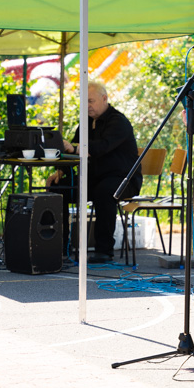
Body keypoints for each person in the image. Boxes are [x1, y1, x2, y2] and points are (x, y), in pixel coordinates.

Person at [46, 81, 143, 264]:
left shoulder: (118, 122)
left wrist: (75, 149)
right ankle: (59, 246)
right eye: (84, 102)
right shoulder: (86, 123)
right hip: (94, 177)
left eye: (91, 101)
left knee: (105, 192)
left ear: (104, 99)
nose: (87, 106)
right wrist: (59, 172)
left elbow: (101, 148)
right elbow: (71, 152)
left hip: (123, 180)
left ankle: (104, 250)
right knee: (60, 189)